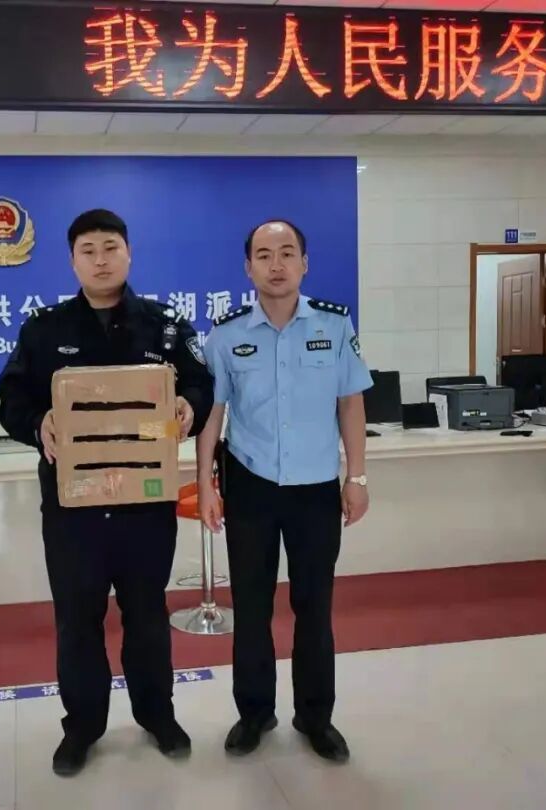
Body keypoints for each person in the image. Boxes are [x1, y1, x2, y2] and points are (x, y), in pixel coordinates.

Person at [0, 208, 214, 777]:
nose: (100, 260)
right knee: (77, 620)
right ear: (72, 260)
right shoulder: (44, 330)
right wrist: (38, 422)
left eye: (110, 247)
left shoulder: (166, 326)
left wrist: (189, 405)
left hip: (145, 503)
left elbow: (201, 383)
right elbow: (12, 401)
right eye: (88, 250)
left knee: (147, 616)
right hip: (74, 509)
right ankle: (82, 727)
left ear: (129, 253)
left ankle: (158, 716)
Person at [196, 220, 371, 761]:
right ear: (248, 267)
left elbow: (351, 403)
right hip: (250, 486)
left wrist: (357, 476)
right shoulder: (226, 335)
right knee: (251, 608)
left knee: (314, 607)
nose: (276, 265)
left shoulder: (335, 326)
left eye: (287, 253)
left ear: (304, 263)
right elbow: (211, 415)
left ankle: (316, 718)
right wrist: (204, 483)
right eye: (264, 255)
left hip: (315, 487)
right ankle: (254, 713)